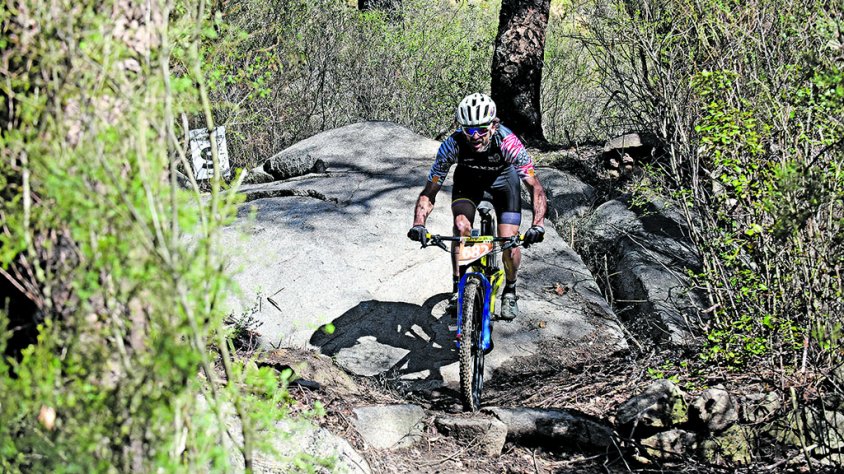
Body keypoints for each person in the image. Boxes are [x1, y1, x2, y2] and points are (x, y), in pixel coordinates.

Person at [407, 93, 547, 320]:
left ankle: (510, 289)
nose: (474, 136)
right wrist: (419, 224)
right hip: (468, 183)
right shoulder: (452, 145)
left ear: (494, 125)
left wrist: (538, 225)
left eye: (481, 129)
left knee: (509, 242)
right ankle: (458, 286)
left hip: (503, 185)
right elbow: (429, 192)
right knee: (461, 227)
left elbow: (535, 188)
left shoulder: (508, 143)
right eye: (468, 129)